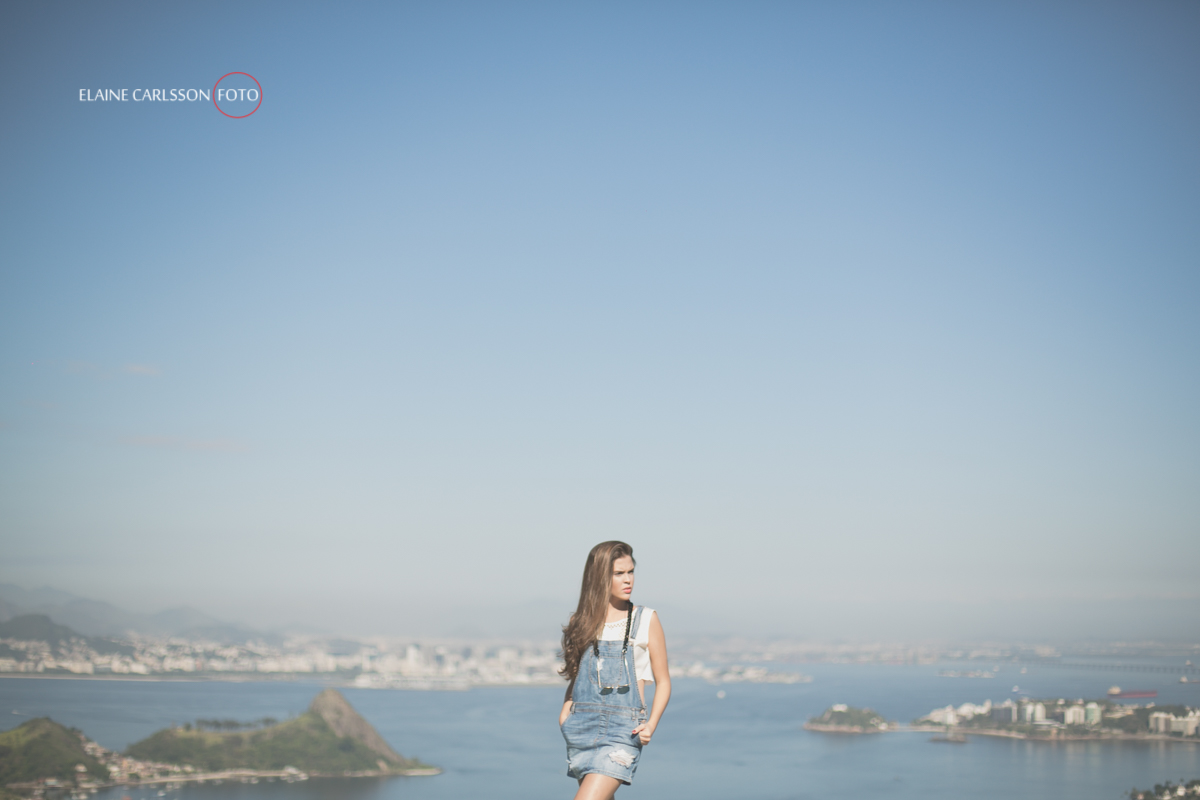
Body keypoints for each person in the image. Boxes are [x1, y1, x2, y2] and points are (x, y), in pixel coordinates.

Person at [558, 541, 671, 800]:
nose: (628, 579)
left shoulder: (646, 619)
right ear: (599, 577)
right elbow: (578, 676)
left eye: (630, 572)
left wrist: (651, 724)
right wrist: (565, 712)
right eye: (618, 573)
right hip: (581, 728)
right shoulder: (581, 622)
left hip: (622, 732)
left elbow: (664, 681)